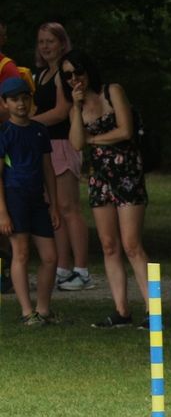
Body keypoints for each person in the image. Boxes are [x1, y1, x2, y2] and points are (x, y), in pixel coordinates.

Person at [65, 51, 151, 329]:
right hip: (99, 177)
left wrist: (93, 139)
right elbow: (76, 143)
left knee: (132, 244)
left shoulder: (112, 91)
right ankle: (121, 310)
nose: (74, 79)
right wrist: (76, 107)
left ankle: (153, 310)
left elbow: (125, 131)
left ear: (88, 70)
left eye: (78, 72)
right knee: (108, 245)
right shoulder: (75, 109)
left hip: (127, 174)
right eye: (68, 76)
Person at [32, 23, 93, 293]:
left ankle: (82, 270)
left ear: (62, 43)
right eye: (41, 41)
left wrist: (28, 123)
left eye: (50, 41)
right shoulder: (40, 74)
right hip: (45, 147)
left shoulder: (64, 74)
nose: (45, 46)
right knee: (53, 208)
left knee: (69, 208)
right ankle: (63, 267)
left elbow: (60, 112)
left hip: (64, 144)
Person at [0, 76, 61, 325]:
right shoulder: (4, 132)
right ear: (5, 103)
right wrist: (2, 212)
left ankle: (43, 309)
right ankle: (27, 312)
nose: (21, 104)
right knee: (21, 253)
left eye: (25, 98)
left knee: (50, 256)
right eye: (14, 99)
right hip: (14, 196)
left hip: (37, 198)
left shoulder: (39, 130)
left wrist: (54, 205)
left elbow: (48, 169)